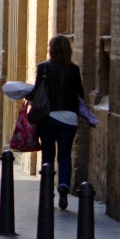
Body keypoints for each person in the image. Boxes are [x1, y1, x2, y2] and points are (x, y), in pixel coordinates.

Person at [30, 34, 84, 210]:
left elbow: (36, 93)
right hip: (69, 119)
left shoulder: (44, 68)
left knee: (48, 155)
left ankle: (47, 191)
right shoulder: (74, 69)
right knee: (65, 155)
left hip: (48, 119)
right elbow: (80, 95)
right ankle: (63, 187)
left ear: (51, 49)